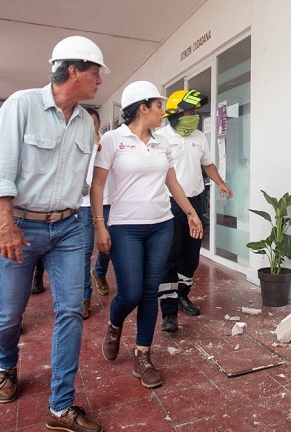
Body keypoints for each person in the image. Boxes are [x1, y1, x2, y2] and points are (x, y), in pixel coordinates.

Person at [0, 35, 108, 432]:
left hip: (69, 227)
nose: (99, 82)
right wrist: (4, 224)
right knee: (10, 312)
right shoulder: (21, 105)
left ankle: (61, 406)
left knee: (70, 310)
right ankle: (6, 366)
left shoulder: (86, 122)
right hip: (19, 226)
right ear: (74, 70)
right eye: (96, 73)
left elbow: (83, 181)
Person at [90, 81, 203, 390]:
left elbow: (172, 182)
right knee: (130, 293)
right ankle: (114, 324)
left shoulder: (161, 142)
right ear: (143, 108)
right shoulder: (113, 140)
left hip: (161, 225)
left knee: (151, 289)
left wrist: (191, 212)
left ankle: (143, 355)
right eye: (158, 106)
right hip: (125, 226)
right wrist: (100, 223)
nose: (162, 112)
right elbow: (97, 185)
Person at [156, 89, 232, 332]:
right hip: (169, 204)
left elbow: (207, 163)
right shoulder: (160, 137)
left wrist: (220, 182)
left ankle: (182, 296)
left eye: (197, 112)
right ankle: (168, 312)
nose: (195, 117)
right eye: (190, 112)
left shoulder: (200, 137)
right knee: (170, 256)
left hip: (196, 201)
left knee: (191, 255)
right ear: (176, 114)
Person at [79, 106, 111, 319]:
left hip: (107, 202)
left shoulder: (106, 144)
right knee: (83, 251)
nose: (91, 128)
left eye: (94, 123)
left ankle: (99, 272)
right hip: (82, 205)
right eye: (86, 124)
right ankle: (84, 296)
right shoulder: (75, 146)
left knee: (108, 245)